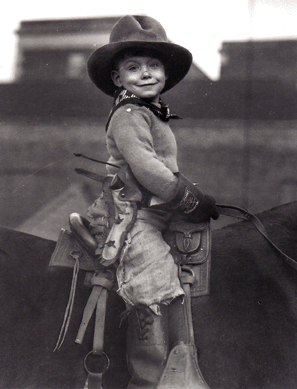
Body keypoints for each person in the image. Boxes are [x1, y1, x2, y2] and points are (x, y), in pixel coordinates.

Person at [86, 15, 219, 389]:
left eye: (153, 65)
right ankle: (149, 379)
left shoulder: (150, 114)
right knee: (154, 279)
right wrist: (190, 197)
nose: (145, 73)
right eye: (133, 67)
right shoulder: (127, 115)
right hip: (131, 217)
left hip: (156, 212)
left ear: (164, 73)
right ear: (117, 79)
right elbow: (146, 169)